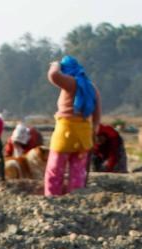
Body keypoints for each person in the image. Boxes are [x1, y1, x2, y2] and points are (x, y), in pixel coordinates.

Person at [45, 55, 101, 197]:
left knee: (55, 170)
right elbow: (97, 116)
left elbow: (53, 75)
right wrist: (93, 133)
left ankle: (52, 198)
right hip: (83, 136)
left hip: (66, 134)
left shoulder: (71, 83)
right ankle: (76, 198)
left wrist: (55, 65)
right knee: (78, 173)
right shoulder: (91, 88)